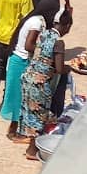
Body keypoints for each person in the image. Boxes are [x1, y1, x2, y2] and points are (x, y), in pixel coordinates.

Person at [19, 17, 65, 160]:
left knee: (28, 111)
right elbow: (59, 68)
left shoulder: (44, 33)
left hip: (28, 77)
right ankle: (32, 150)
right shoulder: (59, 42)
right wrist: (68, 69)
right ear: (66, 25)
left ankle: (30, 144)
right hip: (40, 82)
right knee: (39, 114)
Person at [0, 11, 45, 135]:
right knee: (17, 97)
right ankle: (14, 131)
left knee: (19, 96)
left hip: (18, 60)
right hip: (20, 62)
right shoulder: (36, 23)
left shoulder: (32, 19)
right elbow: (29, 45)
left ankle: (17, 129)